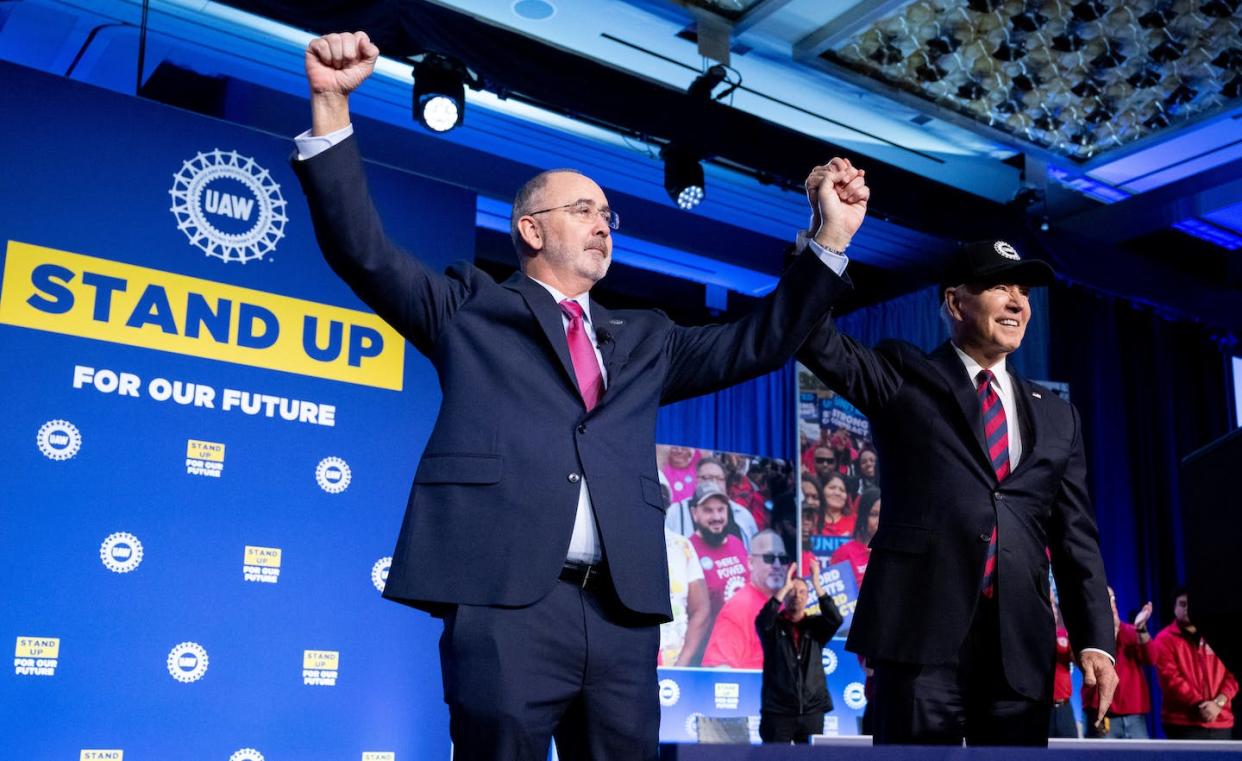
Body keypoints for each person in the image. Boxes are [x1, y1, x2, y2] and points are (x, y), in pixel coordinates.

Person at [294, 32, 868, 760]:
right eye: (583, 210)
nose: (604, 223)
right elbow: (362, 250)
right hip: (507, 606)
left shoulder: (647, 338)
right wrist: (331, 106)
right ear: (531, 229)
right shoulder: (471, 309)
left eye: (608, 215)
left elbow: (761, 340)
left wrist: (830, 241)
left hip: (623, 614)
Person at [796, 167, 1116, 745]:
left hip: (1018, 647)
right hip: (918, 639)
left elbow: (1076, 537)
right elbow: (814, 339)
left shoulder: (1055, 414)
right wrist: (830, 240)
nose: (1016, 299)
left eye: (1023, 290)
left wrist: (1096, 639)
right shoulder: (903, 373)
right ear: (955, 302)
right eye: (1000, 285)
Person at [756, 558, 843, 744]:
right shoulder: (772, 627)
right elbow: (762, 621)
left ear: (808, 597)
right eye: (792, 591)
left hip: (812, 711)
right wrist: (784, 587)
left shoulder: (815, 626)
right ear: (786, 595)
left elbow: (836, 619)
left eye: (803, 592)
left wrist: (817, 585)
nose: (797, 596)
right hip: (778, 711)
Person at [1153, 589, 1237, 740]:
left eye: (1192, 605)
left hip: (1221, 720)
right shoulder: (1164, 639)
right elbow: (1170, 679)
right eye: (1183, 604)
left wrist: (1219, 703)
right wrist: (1201, 704)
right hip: (1182, 723)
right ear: (1174, 608)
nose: (1187, 609)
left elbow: (1233, 673)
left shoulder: (1222, 635)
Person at [701, 530, 790, 669]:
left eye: (783, 559)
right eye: (769, 558)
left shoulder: (782, 604)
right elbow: (719, 672)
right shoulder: (739, 608)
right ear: (750, 563)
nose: (777, 565)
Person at [1084, 588, 1155, 739]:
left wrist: (1141, 629)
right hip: (1104, 715)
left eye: (1113, 600)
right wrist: (1108, 633)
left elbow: (1151, 658)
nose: (1112, 605)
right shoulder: (1088, 635)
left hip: (1134, 715)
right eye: (1106, 599)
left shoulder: (1130, 631)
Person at [687, 484, 751, 618]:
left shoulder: (736, 542)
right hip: (712, 636)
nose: (717, 517)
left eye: (721, 509)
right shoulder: (688, 549)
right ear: (695, 513)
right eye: (708, 511)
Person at [666, 457, 759, 547]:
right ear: (695, 481)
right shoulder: (674, 513)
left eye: (719, 478)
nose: (713, 483)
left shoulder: (743, 515)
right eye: (707, 478)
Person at [660, 528, 710, 667]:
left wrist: (683, 660)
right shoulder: (619, 542)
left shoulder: (681, 545)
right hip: (630, 659)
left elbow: (701, 608)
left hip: (674, 660)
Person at [830, 487, 880, 586]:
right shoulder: (844, 553)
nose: (880, 521)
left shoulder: (896, 553)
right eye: (874, 515)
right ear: (863, 516)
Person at [818, 473, 855, 538]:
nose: (837, 493)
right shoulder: (812, 519)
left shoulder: (855, 521)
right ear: (821, 491)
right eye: (832, 488)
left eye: (842, 490)